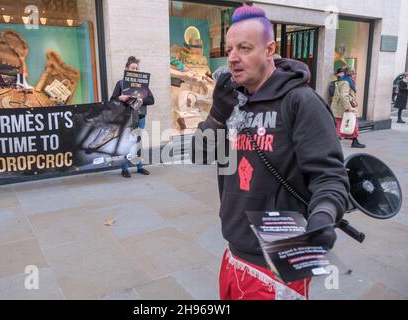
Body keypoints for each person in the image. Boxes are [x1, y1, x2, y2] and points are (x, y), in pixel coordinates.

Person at [191, 4, 350, 300]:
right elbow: (200, 155)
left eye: (244, 48)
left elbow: (330, 177)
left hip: (280, 260)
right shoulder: (233, 101)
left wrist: (324, 215)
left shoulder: (301, 102)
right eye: (229, 50)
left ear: (269, 49)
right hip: (235, 251)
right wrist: (216, 114)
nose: (233, 57)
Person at [110, 56, 155, 178]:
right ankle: (124, 169)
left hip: (140, 117)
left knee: (138, 142)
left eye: (137, 68)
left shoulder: (143, 86)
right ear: (127, 69)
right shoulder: (121, 84)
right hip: (126, 118)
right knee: (126, 143)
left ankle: (139, 166)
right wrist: (120, 98)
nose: (135, 70)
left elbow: (152, 100)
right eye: (132, 68)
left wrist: (142, 99)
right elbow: (112, 100)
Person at [330, 66, 366, 148]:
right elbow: (343, 96)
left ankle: (354, 141)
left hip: (340, 107)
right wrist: (349, 108)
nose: (355, 75)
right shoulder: (346, 82)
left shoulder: (344, 80)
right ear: (351, 74)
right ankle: (354, 142)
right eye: (354, 73)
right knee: (352, 123)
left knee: (343, 125)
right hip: (342, 108)